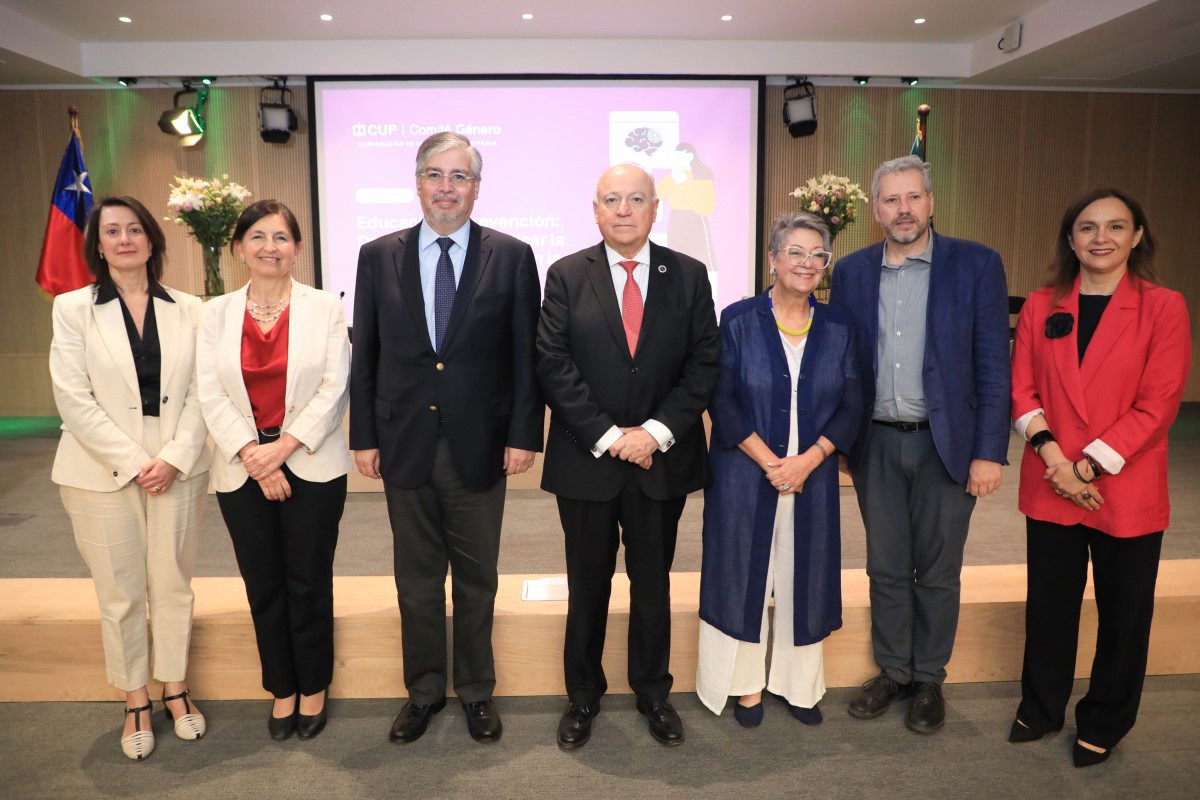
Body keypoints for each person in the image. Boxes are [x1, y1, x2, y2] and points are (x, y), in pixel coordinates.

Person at [350, 132, 543, 745]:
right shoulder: (378, 254)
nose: (446, 187)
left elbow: (524, 356)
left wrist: (523, 435)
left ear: (476, 188)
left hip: (481, 444)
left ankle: (478, 691)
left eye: (459, 176)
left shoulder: (511, 255)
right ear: (417, 182)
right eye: (435, 174)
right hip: (403, 440)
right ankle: (425, 691)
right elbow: (368, 355)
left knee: (477, 578)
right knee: (416, 579)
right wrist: (363, 436)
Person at [537, 163, 720, 749]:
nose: (623, 209)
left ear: (654, 208)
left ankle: (653, 692)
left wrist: (654, 433)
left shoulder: (688, 275)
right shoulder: (566, 274)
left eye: (635, 199)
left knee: (652, 583)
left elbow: (703, 366)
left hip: (660, 461)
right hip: (587, 461)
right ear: (594, 210)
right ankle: (583, 696)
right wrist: (612, 436)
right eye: (611, 199)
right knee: (587, 583)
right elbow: (553, 364)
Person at [828, 155, 1011, 734]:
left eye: (912, 197)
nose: (902, 209)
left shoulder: (976, 265)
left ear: (930, 202)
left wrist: (989, 451)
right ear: (875, 209)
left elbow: (992, 366)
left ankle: (929, 676)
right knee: (884, 566)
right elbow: (843, 363)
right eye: (890, 200)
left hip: (947, 446)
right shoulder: (854, 272)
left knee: (936, 570)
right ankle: (894, 671)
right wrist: (836, 439)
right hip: (875, 444)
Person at [1007, 189, 1190, 767]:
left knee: (1124, 612)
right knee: (1050, 607)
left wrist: (1084, 466)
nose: (1100, 237)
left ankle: (1106, 719)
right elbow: (1022, 390)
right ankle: (1040, 707)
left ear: (1137, 236)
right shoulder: (1041, 304)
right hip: (1051, 479)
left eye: (1116, 226)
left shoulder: (1164, 307)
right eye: (1087, 227)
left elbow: (1158, 405)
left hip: (1125, 485)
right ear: (1070, 239)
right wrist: (1056, 461)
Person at [49, 196, 211, 760]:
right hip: (100, 467)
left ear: (152, 240)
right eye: (112, 231)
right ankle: (135, 697)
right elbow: (72, 397)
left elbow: (202, 392)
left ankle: (175, 687)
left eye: (135, 229)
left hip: (177, 460)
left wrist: (172, 456)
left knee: (172, 580)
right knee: (119, 590)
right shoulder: (73, 309)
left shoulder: (190, 308)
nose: (124, 239)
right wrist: (134, 460)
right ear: (98, 244)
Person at [697, 211, 860, 727]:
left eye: (818, 255)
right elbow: (721, 402)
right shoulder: (739, 319)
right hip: (747, 471)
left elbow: (854, 404)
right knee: (742, 570)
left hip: (812, 475)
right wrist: (773, 464)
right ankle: (744, 687)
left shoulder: (839, 326)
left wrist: (808, 461)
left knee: (804, 572)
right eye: (795, 252)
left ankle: (798, 684)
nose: (807, 264)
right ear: (773, 260)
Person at [197, 200, 351, 742]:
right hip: (242, 470)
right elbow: (208, 392)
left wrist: (280, 449)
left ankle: (313, 686)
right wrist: (252, 456)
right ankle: (281, 687)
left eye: (282, 238)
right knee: (263, 583)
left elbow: (335, 388)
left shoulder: (323, 308)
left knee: (309, 581)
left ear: (298, 249)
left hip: (310, 463)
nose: (270, 247)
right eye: (258, 237)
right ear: (239, 248)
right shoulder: (213, 312)